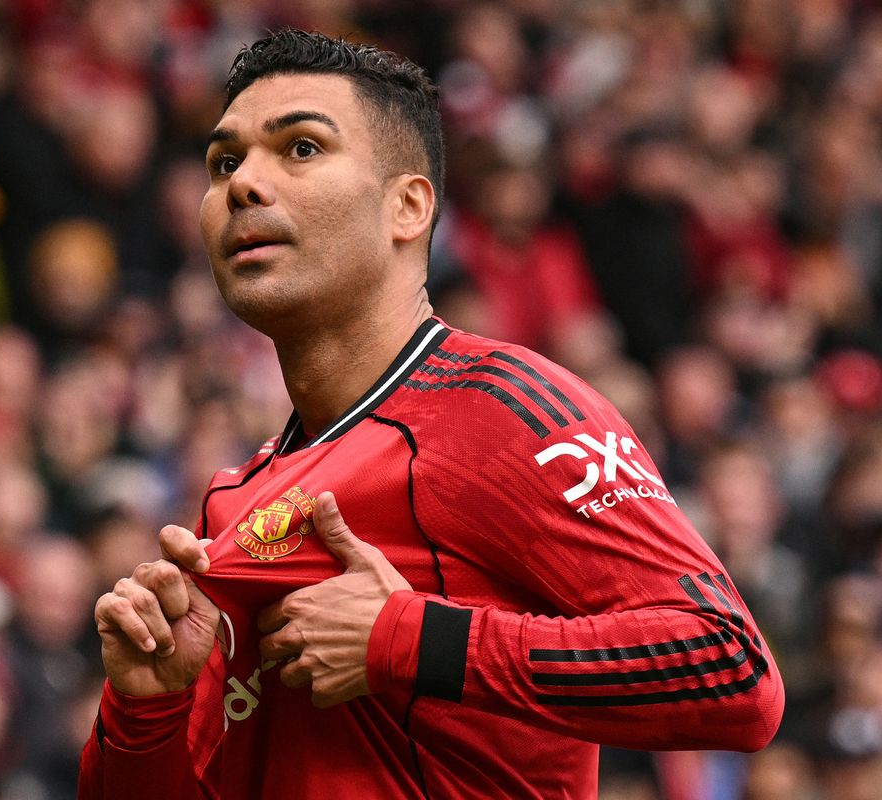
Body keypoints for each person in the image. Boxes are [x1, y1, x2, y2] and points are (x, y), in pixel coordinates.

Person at [78, 30, 784, 799]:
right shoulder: (236, 498)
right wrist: (147, 710)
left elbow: (731, 669)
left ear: (408, 207)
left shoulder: (501, 406)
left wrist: (408, 638)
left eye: (302, 148)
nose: (245, 183)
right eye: (224, 162)